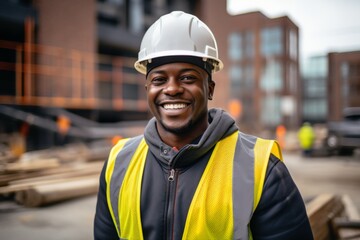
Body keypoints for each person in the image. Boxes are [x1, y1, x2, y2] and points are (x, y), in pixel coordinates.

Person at [94, 11, 313, 240]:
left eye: (187, 78)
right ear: (147, 89)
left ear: (210, 88)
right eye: (159, 79)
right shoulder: (118, 163)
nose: (172, 89)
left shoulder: (261, 168)